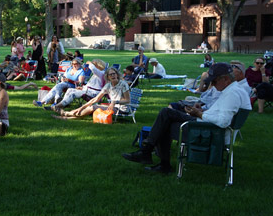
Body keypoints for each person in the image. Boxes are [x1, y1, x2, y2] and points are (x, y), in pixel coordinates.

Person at [122, 63, 252, 173]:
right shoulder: (234, 90)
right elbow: (222, 114)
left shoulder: (232, 94)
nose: (212, 83)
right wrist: (203, 111)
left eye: (214, 81)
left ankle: (153, 157)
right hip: (208, 127)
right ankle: (149, 153)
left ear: (226, 79)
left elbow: (223, 122)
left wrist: (200, 114)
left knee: (165, 123)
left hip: (211, 133)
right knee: (166, 113)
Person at [54, 67, 130, 120]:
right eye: (110, 75)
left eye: (114, 73)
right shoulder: (108, 86)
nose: (113, 75)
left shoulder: (123, 84)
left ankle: (67, 114)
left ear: (117, 74)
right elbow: (96, 99)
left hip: (121, 109)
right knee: (90, 106)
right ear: (108, 77)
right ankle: (67, 118)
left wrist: (114, 102)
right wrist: (82, 107)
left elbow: (128, 100)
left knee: (93, 108)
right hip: (112, 107)